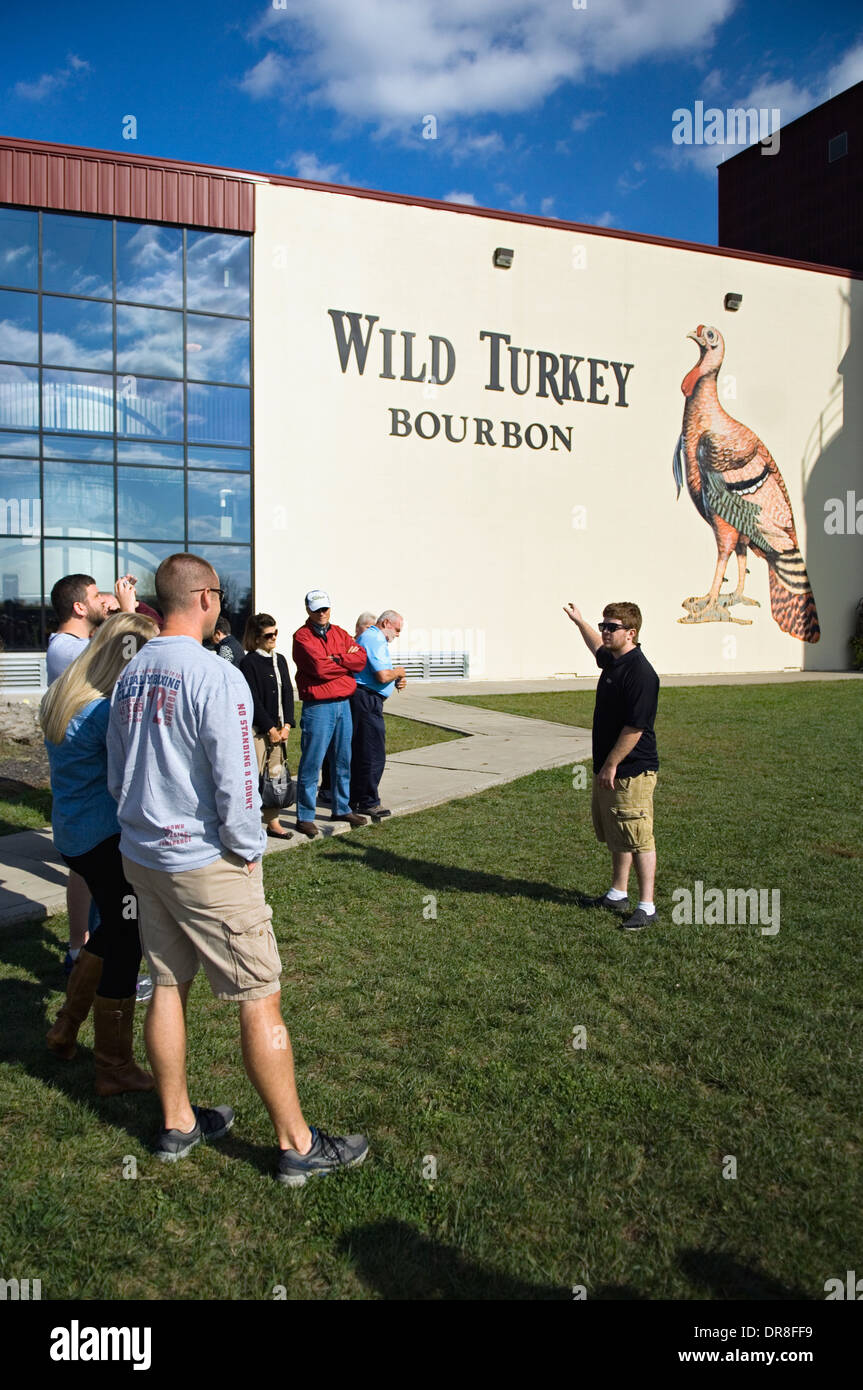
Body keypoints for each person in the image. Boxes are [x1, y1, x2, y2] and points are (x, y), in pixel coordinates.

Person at [107, 553, 368, 1182]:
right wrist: (249, 851)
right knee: (259, 994)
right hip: (205, 861)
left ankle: (177, 1121)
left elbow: (117, 773)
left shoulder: (129, 672)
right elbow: (237, 784)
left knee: (168, 983)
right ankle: (296, 1143)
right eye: (220, 594)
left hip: (143, 855)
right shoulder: (215, 676)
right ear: (203, 597)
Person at [42, 612, 157, 1094]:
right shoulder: (107, 711)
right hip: (104, 839)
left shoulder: (65, 696)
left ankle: (66, 1026)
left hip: (73, 834)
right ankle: (113, 1064)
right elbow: (134, 776)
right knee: (127, 935)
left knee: (111, 926)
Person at [564, 600, 660, 931]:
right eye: (603, 625)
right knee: (618, 833)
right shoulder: (614, 660)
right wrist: (580, 623)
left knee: (638, 835)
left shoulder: (641, 673)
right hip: (610, 768)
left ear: (630, 633)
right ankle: (618, 893)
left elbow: (635, 728)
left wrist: (611, 765)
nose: (604, 631)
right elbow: (596, 648)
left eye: (611, 627)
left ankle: (646, 906)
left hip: (631, 770)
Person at [46, 573, 107, 974]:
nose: (105, 599)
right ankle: (87, 957)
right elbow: (120, 666)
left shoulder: (80, 645)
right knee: (96, 875)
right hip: (87, 784)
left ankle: (81, 953)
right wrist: (129, 613)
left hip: (89, 790)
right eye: (96, 595)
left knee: (87, 874)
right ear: (79, 607)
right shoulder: (66, 649)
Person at [292, 591, 369, 839]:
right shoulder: (302, 637)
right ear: (308, 610)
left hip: (342, 704)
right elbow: (318, 667)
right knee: (312, 762)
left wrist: (335, 658)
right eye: (317, 609)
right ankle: (305, 815)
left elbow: (361, 659)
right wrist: (344, 663)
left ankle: (341, 807)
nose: (322, 613)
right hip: (318, 707)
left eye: (325, 608)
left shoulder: (339, 633)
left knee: (342, 759)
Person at [239, 613, 295, 839]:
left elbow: (289, 693)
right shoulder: (248, 662)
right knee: (254, 777)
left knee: (274, 776)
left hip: (281, 730)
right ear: (256, 637)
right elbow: (252, 698)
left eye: (276, 633)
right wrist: (270, 728)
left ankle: (273, 822)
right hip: (260, 732)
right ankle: (250, 824)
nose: (273, 638)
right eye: (268, 635)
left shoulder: (279, 659)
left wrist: (287, 725)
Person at [350, 610, 407, 818]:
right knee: (372, 753)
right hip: (366, 700)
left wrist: (396, 677)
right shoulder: (374, 638)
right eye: (397, 630)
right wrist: (398, 672)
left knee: (363, 751)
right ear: (386, 623)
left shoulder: (372, 638)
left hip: (366, 699)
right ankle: (368, 801)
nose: (398, 635)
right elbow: (382, 676)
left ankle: (357, 797)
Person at [319, 612, 376, 808]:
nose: (372, 632)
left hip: (350, 695)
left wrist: (338, 660)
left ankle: (343, 793)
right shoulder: (348, 642)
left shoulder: (359, 646)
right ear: (359, 627)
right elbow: (324, 665)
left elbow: (359, 663)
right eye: (369, 627)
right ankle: (327, 787)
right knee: (331, 746)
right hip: (339, 697)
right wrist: (345, 660)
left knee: (346, 748)